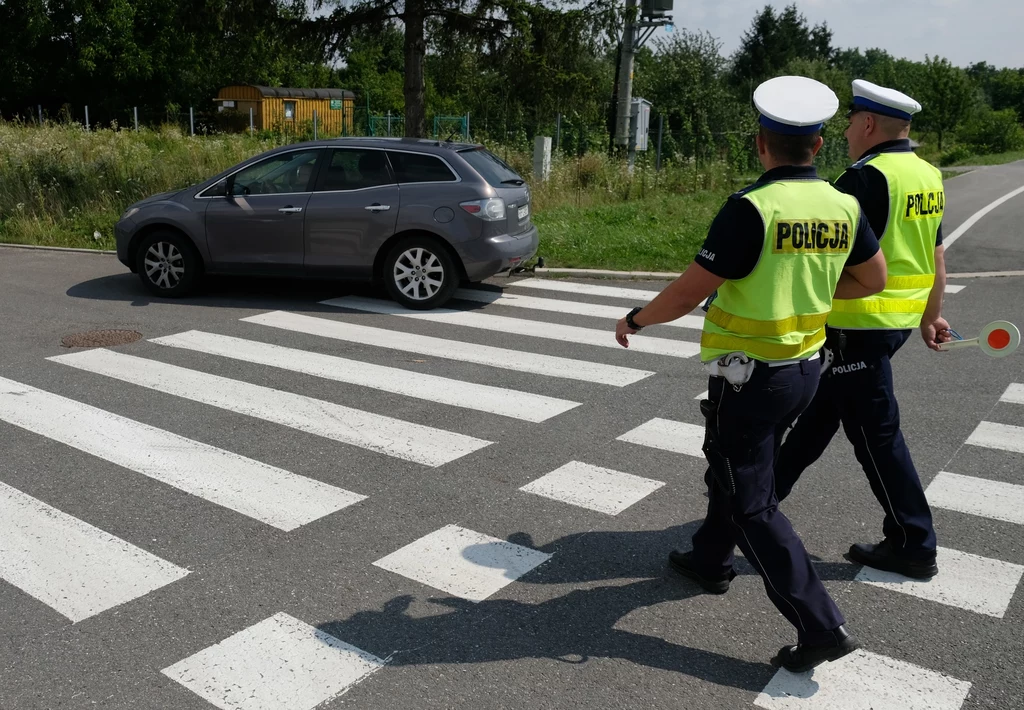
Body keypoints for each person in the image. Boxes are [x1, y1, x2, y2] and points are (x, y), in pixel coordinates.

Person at [614, 76, 887, 672]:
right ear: (818, 145)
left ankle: (821, 625)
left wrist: (637, 318)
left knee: (753, 501)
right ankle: (709, 558)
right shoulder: (845, 205)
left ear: (761, 144)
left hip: (752, 376)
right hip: (807, 367)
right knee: (738, 468)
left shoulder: (752, 209)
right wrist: (810, 283)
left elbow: (690, 292)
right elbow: (874, 280)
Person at [773, 80, 952, 580]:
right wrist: (930, 315)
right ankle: (752, 506)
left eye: (851, 121)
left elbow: (826, 257)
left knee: (877, 436)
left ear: (868, 124)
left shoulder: (866, 178)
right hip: (890, 325)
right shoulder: (927, 175)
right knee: (819, 416)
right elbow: (936, 256)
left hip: (857, 325)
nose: (848, 130)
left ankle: (914, 543)